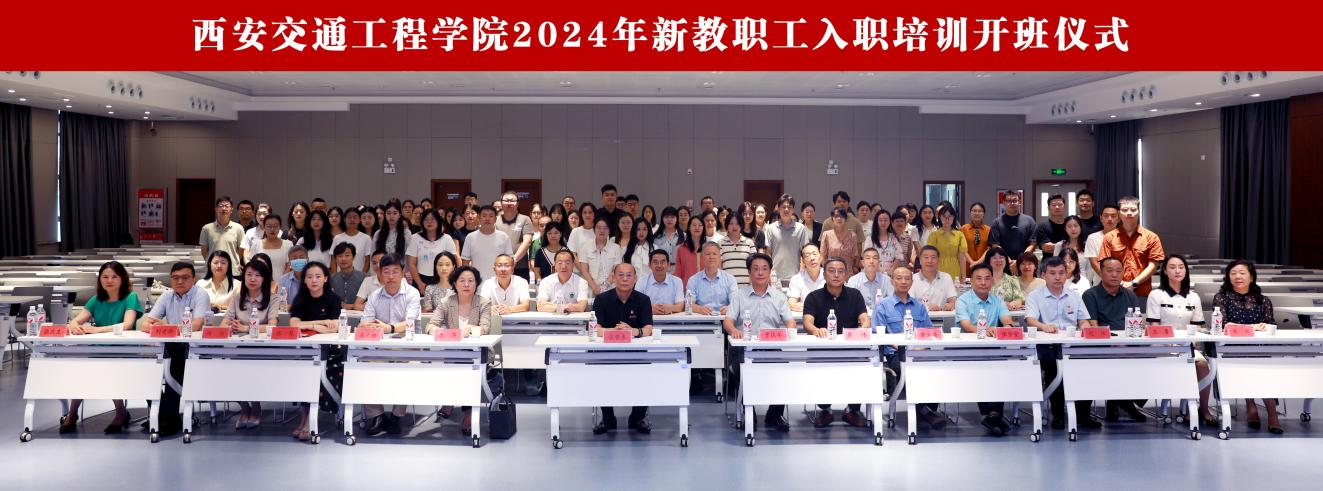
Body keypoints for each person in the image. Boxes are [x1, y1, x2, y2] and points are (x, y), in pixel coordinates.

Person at [61, 261, 143, 434]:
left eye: (114, 277)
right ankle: (72, 413)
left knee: (108, 369)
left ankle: (120, 413)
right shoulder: (96, 299)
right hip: (99, 349)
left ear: (122, 279)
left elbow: (127, 324)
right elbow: (76, 320)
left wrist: (96, 329)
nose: (109, 280)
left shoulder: (130, 297)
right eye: (105, 277)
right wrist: (75, 326)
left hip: (124, 348)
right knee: (82, 372)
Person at [1023, 256, 1098, 430]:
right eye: (1052, 273)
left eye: (1061, 273)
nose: (1057, 277)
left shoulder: (1075, 295)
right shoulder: (1035, 296)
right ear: (1043, 275)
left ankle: (1083, 414)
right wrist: (1044, 326)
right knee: (1053, 367)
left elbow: (1083, 320)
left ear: (1066, 275)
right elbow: (1031, 320)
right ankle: (1058, 414)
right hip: (1046, 345)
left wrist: (1086, 328)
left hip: (1071, 345)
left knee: (1088, 364)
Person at [723, 253, 796, 431]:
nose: (760, 273)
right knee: (742, 370)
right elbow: (728, 321)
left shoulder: (779, 296)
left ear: (770, 271)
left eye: (764, 269)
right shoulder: (739, 295)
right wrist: (734, 330)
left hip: (771, 348)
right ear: (749, 273)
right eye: (756, 269)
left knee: (783, 370)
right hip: (743, 349)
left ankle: (774, 414)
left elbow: (790, 322)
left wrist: (789, 330)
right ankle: (748, 412)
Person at [138, 262, 210, 436]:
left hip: (194, 348)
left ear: (194, 279)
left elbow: (196, 325)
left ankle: (169, 419)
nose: (179, 281)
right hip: (169, 345)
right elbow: (145, 324)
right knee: (144, 369)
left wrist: (166, 326)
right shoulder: (166, 296)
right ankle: (163, 415)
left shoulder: (201, 294)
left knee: (174, 366)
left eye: (185, 277)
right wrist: (163, 327)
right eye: (175, 278)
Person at [872, 265, 947, 430]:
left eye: (907, 278)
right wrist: (901, 347)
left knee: (936, 368)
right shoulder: (883, 305)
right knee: (906, 368)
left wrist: (921, 348)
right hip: (895, 354)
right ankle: (925, 412)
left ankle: (928, 408)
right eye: (899, 278)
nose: (903, 282)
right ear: (892, 281)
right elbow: (879, 333)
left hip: (920, 352)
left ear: (912, 282)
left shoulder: (919, 306)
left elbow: (929, 332)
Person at [1213, 260, 1283, 434]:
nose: (1238, 276)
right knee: (1244, 363)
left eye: (1242, 273)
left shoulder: (1263, 300)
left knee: (1265, 370)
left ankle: (1272, 413)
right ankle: (1250, 405)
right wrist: (1253, 327)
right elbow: (1223, 325)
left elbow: (1271, 324)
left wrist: (1264, 327)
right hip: (1230, 348)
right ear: (1228, 277)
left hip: (1258, 347)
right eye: (1233, 273)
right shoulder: (1221, 298)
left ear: (1251, 277)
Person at [802, 257, 872, 428]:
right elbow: (807, 323)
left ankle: (852, 410)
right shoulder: (813, 297)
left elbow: (865, 319)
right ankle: (826, 410)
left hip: (851, 348)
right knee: (820, 370)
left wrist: (862, 328)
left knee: (863, 366)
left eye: (840, 271)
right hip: (822, 349)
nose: (836, 275)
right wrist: (816, 330)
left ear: (846, 274)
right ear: (824, 274)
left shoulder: (855, 295)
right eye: (831, 271)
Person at [1145, 255, 1215, 426]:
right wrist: (1170, 344)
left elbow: (1197, 327)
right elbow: (1154, 327)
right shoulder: (1156, 295)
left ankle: (1203, 409)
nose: (1177, 270)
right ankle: (1180, 406)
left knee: (1202, 365)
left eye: (1181, 267)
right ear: (1165, 271)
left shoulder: (1193, 296)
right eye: (1172, 267)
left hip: (1188, 346)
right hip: (1163, 347)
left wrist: (1190, 343)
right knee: (1177, 362)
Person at [359, 254, 423, 436]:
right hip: (380, 348)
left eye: (395, 272)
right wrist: (373, 327)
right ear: (380, 274)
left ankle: (396, 416)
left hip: (408, 346)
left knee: (409, 368)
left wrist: (390, 328)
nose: (391, 276)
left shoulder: (412, 293)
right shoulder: (374, 296)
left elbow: (410, 322)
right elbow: (364, 323)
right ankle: (376, 415)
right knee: (362, 366)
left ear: (403, 273)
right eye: (386, 272)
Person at [590, 263, 655, 435]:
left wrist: (633, 331)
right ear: (613, 278)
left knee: (644, 378)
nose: (625, 279)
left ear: (635, 278)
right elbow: (595, 328)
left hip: (636, 353)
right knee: (602, 378)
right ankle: (608, 419)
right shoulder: (601, 299)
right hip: (608, 352)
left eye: (629, 275)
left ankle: (637, 418)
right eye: (620, 275)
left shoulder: (643, 300)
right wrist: (614, 331)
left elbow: (648, 329)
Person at [425, 265, 491, 433]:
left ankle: (467, 412)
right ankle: (452, 401)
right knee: (453, 365)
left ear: (476, 283)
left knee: (468, 368)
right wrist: (440, 332)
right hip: (452, 352)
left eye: (470, 281)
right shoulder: (447, 302)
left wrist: (471, 329)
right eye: (462, 281)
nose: (466, 284)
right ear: (454, 283)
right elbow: (431, 325)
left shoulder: (483, 302)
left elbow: (485, 327)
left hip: (477, 352)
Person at [955, 263, 1017, 436]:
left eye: (987, 278)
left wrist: (1007, 327)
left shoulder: (997, 300)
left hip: (993, 348)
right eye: (979, 278)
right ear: (972, 281)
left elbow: (1007, 320)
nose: (983, 282)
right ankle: (993, 415)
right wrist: (984, 330)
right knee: (982, 369)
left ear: (992, 281)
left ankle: (993, 415)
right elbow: (966, 325)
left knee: (1001, 369)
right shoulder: (963, 300)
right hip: (968, 350)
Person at [1083, 257, 1147, 422]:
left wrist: (1127, 342)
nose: (1114, 275)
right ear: (1101, 272)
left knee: (1154, 360)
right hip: (1101, 345)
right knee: (1117, 359)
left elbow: (1137, 323)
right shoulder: (1090, 295)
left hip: (1129, 343)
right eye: (1110, 271)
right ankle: (1122, 401)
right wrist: (1112, 342)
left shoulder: (1130, 295)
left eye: (1118, 271)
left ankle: (1123, 400)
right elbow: (1093, 326)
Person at [222, 260, 281, 430]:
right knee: (226, 371)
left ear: (264, 279)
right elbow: (224, 323)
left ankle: (255, 407)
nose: (252, 279)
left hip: (263, 348)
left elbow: (272, 327)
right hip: (238, 346)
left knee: (251, 369)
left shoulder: (273, 298)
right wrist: (230, 326)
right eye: (249, 274)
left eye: (257, 275)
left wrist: (246, 328)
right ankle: (244, 407)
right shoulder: (237, 298)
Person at [1100, 196, 1165, 298]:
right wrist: (1119, 283)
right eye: (1125, 210)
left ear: (1139, 212)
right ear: (1119, 213)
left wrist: (1134, 283)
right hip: (1113, 292)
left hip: (1142, 292)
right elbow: (1105, 265)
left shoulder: (1151, 237)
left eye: (1133, 210)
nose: (1129, 213)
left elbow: (1153, 265)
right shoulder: (1109, 237)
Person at [407, 209, 459, 291]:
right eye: (426, 219)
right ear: (422, 222)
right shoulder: (415, 238)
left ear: (438, 221)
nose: (429, 222)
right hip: (420, 279)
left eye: (432, 219)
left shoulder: (446, 238)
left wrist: (450, 280)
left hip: (443, 279)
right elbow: (411, 263)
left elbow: (454, 261)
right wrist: (419, 283)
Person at [461, 205, 514, 281]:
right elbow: (465, 262)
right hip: (477, 282)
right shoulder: (470, 237)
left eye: (491, 216)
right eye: (484, 216)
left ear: (495, 219)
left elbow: (510, 261)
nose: (487, 218)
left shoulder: (504, 237)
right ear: (479, 218)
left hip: (499, 282)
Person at [765, 194, 811, 282]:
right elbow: (768, 253)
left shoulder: (801, 228)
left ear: (793, 210)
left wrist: (802, 272)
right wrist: (769, 272)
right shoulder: (770, 228)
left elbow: (804, 252)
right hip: (775, 277)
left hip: (796, 276)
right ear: (778, 209)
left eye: (789, 207)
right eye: (783, 207)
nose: (786, 209)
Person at [199, 196, 245, 276]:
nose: (224, 208)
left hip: (232, 270)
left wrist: (235, 260)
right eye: (221, 206)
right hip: (213, 270)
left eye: (227, 206)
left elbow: (241, 250)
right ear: (216, 209)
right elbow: (204, 251)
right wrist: (213, 263)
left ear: (231, 209)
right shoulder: (206, 228)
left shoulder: (238, 228)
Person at [988, 192, 1036, 269]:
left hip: (1026, 265)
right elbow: (995, 245)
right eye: (1009, 201)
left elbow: (1033, 244)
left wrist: (1020, 261)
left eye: (1015, 200)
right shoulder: (997, 222)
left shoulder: (1029, 221)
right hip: (1003, 265)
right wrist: (1009, 261)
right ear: (1004, 203)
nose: (1012, 203)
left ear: (1019, 202)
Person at [495, 190, 535, 280]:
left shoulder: (525, 219)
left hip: (520, 266)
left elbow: (527, 241)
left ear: (517, 204)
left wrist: (514, 259)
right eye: (506, 200)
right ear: (501, 203)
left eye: (512, 200)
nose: (509, 203)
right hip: (499, 266)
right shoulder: (495, 220)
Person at [687, 242, 737, 315]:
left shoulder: (730, 279)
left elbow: (735, 302)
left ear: (720, 257)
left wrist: (729, 308)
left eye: (714, 254)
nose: (711, 257)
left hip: (723, 319)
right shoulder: (693, 280)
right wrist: (700, 309)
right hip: (701, 318)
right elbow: (689, 304)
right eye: (708, 254)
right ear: (702, 257)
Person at [577, 216, 622, 294]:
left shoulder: (616, 248)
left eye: (605, 228)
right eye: (599, 228)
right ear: (594, 229)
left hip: (611, 288)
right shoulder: (585, 247)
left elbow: (616, 270)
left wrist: (605, 287)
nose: (602, 231)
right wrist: (595, 288)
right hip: (590, 288)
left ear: (609, 230)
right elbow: (584, 270)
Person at [248, 214, 294, 285]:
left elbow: (289, 266)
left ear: (280, 227)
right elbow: (252, 266)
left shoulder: (288, 244)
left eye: (275, 226)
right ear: (264, 227)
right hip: (260, 284)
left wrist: (280, 282)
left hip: (282, 284)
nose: (272, 229)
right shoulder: (256, 244)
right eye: (269, 226)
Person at [927, 206, 969, 281]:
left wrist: (963, 276)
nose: (947, 219)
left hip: (955, 271)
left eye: (950, 216)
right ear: (940, 217)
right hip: (937, 270)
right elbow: (930, 256)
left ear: (953, 217)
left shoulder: (960, 235)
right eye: (944, 216)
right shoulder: (934, 235)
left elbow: (962, 258)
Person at [638, 250, 685, 315]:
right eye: (655, 262)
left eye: (662, 262)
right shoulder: (641, 281)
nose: (659, 265)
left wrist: (670, 308)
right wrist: (649, 308)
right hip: (648, 319)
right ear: (649, 265)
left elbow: (680, 306)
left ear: (668, 265)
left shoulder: (677, 281)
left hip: (671, 319)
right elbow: (636, 304)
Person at [1082, 203, 1119, 286]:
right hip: (1099, 283)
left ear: (1119, 218)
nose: (1109, 219)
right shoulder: (1092, 238)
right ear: (1101, 218)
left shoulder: (1125, 237)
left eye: (1113, 216)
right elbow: (1094, 263)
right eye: (1106, 216)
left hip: (1122, 283)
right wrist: (1108, 280)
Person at [911, 246, 957, 312]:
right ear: (920, 261)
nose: (930, 261)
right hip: (919, 316)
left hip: (942, 316)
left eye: (933, 257)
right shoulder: (912, 278)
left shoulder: (946, 277)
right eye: (926, 257)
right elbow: (910, 303)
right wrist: (927, 307)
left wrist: (951, 305)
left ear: (938, 261)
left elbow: (953, 300)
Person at [819, 207, 861, 277]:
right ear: (832, 219)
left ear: (846, 219)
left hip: (848, 273)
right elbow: (823, 256)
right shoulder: (826, 235)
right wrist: (827, 271)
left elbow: (855, 256)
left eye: (842, 216)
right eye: (836, 216)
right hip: (831, 274)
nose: (839, 218)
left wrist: (855, 268)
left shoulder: (852, 235)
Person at [718, 213, 757, 287]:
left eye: (737, 223)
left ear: (741, 225)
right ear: (726, 225)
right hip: (727, 288)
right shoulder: (720, 243)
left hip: (746, 288)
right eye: (731, 223)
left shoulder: (749, 243)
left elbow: (755, 265)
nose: (734, 227)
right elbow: (718, 267)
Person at [787, 244, 825, 312]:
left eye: (814, 254)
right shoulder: (796, 279)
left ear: (821, 257)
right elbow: (791, 304)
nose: (812, 258)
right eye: (807, 255)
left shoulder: (831, 276)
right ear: (803, 261)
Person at [330, 243, 366, 310]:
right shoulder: (331, 279)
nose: (343, 259)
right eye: (340, 256)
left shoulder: (364, 278)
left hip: (360, 314)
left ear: (354, 257)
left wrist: (352, 306)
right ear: (335, 259)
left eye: (347, 255)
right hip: (337, 314)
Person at [874, 208, 910, 274]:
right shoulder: (871, 238)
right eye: (880, 220)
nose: (883, 223)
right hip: (876, 272)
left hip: (894, 272)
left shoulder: (895, 238)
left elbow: (902, 256)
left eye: (886, 220)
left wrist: (890, 271)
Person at [673, 215, 705, 289]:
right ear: (689, 228)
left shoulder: (708, 248)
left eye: (700, 225)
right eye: (694, 225)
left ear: (703, 228)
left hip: (706, 289)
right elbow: (678, 273)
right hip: (688, 289)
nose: (697, 228)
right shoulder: (681, 249)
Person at [961, 202, 991, 278]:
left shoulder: (989, 230)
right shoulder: (963, 229)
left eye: (980, 211)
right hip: (967, 267)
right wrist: (972, 263)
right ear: (970, 213)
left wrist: (977, 263)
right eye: (974, 211)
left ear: (983, 214)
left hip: (984, 267)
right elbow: (962, 249)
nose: (977, 213)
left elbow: (989, 249)